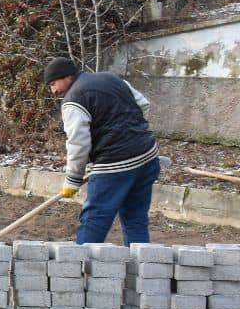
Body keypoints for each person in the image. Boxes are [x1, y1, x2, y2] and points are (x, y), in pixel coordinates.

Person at [43, 56, 161, 245]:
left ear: (67, 77)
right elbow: (143, 104)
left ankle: (80, 267)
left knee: (94, 219)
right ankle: (141, 268)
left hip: (115, 166)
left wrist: (73, 179)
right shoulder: (111, 78)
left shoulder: (74, 100)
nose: (54, 90)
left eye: (53, 84)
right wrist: (135, 135)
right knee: (135, 219)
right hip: (148, 157)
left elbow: (78, 144)